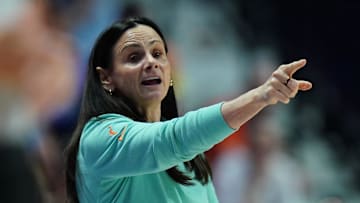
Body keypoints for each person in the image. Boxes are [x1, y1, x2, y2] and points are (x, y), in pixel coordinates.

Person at [64, 16, 312, 203]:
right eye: (133, 57)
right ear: (106, 78)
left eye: (158, 54)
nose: (150, 62)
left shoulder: (191, 157)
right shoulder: (98, 138)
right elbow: (170, 140)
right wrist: (261, 95)